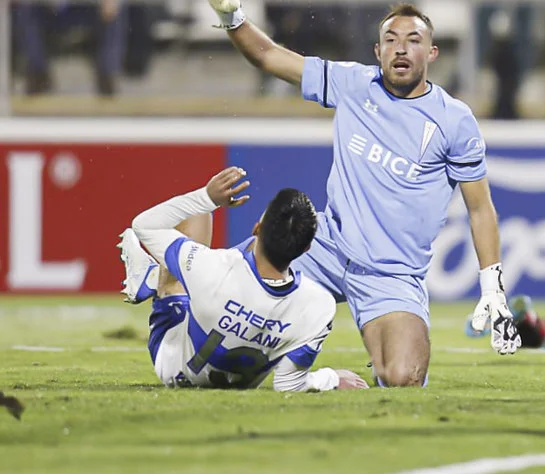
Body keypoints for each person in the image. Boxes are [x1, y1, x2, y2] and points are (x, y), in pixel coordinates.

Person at [192, 0, 522, 387]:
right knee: (221, 296)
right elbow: (270, 56)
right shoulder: (353, 84)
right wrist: (232, 16)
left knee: (403, 377)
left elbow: (480, 209)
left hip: (392, 273)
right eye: (391, 40)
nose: (401, 49)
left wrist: (492, 288)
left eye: (413, 40)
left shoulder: (455, 121)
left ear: (432, 53)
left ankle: (330, 375)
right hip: (325, 248)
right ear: (377, 51)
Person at [117, 166, 368, 391]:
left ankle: (152, 277)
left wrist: (207, 197)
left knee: (198, 214)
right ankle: (152, 277)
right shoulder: (320, 305)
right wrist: (330, 378)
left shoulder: (213, 265)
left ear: (256, 228)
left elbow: (145, 226)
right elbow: (288, 384)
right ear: (306, 249)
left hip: (173, 367)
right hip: (240, 381)